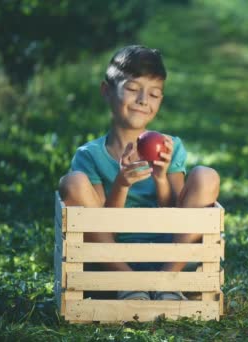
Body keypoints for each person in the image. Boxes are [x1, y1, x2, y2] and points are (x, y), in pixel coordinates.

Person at [58, 45, 220, 301]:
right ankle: (129, 283)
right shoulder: (90, 155)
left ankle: (167, 282)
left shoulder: (170, 147)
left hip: (168, 254)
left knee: (206, 175)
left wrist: (160, 179)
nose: (143, 100)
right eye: (133, 89)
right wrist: (121, 185)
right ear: (107, 91)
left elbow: (180, 216)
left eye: (154, 94)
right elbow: (100, 227)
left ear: (160, 100)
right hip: (112, 260)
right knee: (73, 182)